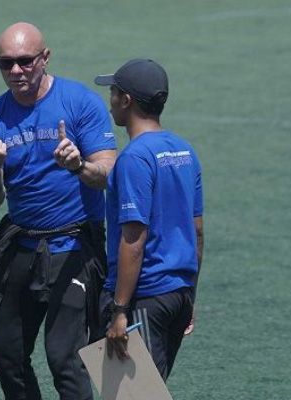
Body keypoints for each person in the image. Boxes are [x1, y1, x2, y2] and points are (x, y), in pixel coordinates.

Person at [0, 22, 117, 400]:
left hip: (74, 245)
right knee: (6, 356)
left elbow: (107, 174)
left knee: (63, 357)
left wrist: (78, 166)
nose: (16, 71)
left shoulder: (80, 103)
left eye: (25, 61)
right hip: (22, 245)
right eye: (6, 63)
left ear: (45, 58)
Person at [94, 59, 204, 381]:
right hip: (178, 294)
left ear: (126, 100)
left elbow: (133, 240)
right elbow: (197, 233)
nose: (110, 100)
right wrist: (190, 296)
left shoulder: (134, 158)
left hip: (146, 296)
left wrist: (119, 311)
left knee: (135, 394)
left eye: (113, 92)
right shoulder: (185, 151)